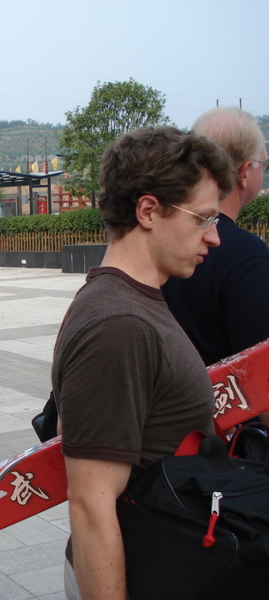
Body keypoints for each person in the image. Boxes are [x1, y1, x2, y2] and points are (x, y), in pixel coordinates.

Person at [52, 127, 234, 600]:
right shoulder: (118, 323)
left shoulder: (138, 301)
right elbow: (91, 505)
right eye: (203, 220)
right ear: (149, 210)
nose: (214, 238)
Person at [162, 107, 269, 367]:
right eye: (263, 165)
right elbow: (260, 380)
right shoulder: (247, 257)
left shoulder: (159, 240)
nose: (210, 238)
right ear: (244, 172)